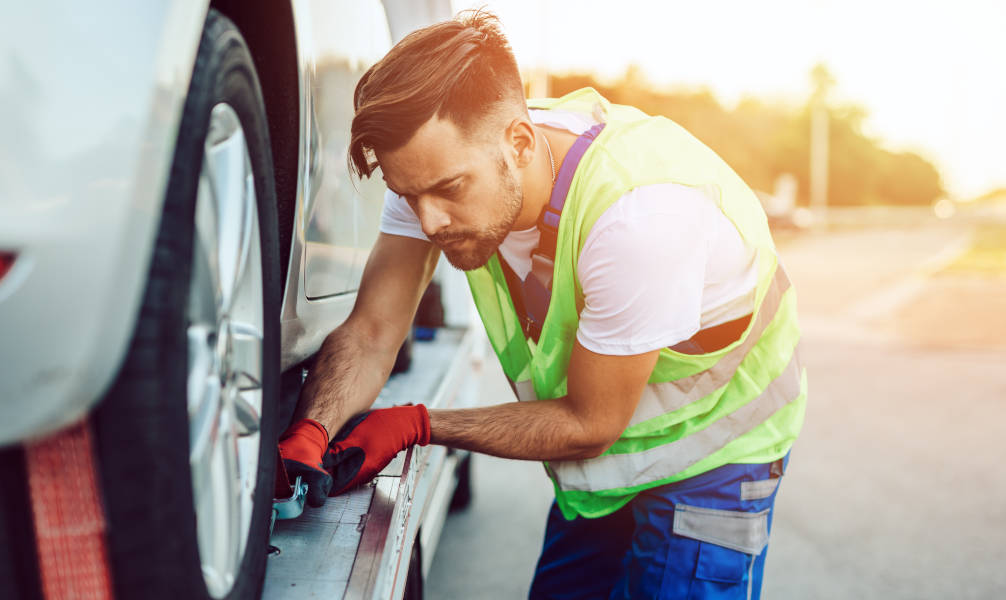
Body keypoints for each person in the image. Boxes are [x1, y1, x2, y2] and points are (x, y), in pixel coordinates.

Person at [276, 10, 806, 599]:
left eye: (448, 191)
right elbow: (374, 330)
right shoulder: (439, 169)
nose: (428, 220)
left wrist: (420, 425)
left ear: (520, 143)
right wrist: (311, 430)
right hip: (608, 470)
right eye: (408, 194)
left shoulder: (637, 220)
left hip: (715, 460)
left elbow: (590, 423)